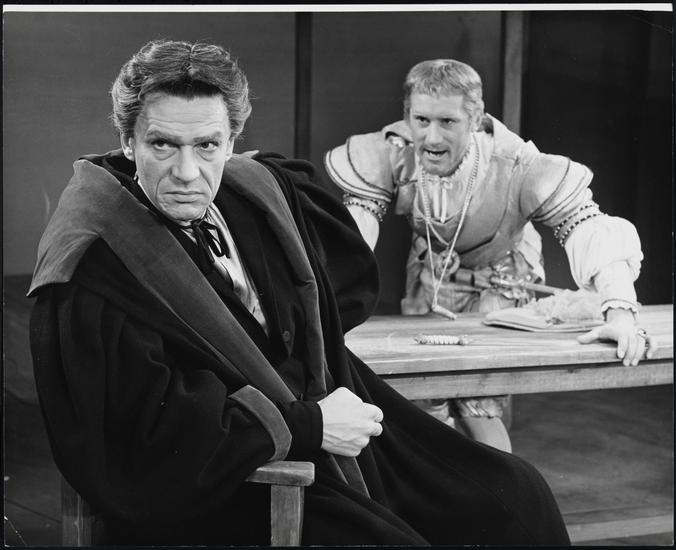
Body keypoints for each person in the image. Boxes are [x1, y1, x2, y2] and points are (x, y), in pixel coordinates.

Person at [28, 39, 571, 545]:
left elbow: (337, 298)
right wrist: (309, 424)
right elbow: (144, 439)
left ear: (231, 141)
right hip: (235, 477)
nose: (187, 172)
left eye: (207, 145)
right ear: (128, 142)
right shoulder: (94, 265)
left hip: (331, 420)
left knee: (515, 497)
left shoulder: (256, 193)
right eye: (162, 144)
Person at [324, 59, 657, 450]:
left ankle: (500, 485)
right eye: (421, 120)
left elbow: (586, 224)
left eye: (448, 121)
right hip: (431, 279)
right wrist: (324, 309)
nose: (431, 137)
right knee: (422, 401)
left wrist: (620, 313)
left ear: (476, 118)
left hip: (498, 284)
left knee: (476, 405)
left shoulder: (515, 164)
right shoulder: (394, 150)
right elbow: (354, 237)